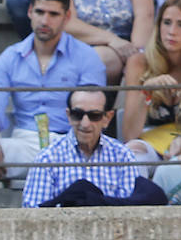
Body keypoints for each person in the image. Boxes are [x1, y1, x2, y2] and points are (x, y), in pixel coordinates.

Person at [0, 0, 108, 180]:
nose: (45, 21)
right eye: (40, 12)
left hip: (72, 145)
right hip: (24, 143)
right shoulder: (10, 57)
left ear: (67, 17)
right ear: (30, 11)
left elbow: (92, 117)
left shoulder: (87, 57)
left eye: (53, 14)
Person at [22, 85, 164, 202]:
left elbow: (132, 212)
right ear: (68, 116)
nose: (85, 123)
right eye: (77, 114)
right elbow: (33, 214)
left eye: (94, 115)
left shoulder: (123, 156)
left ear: (107, 118)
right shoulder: (47, 158)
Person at [121, 0, 181, 157]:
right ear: (158, 25)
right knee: (133, 152)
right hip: (149, 142)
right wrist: (146, 92)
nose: (172, 31)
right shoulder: (139, 63)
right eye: (167, 22)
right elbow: (129, 134)